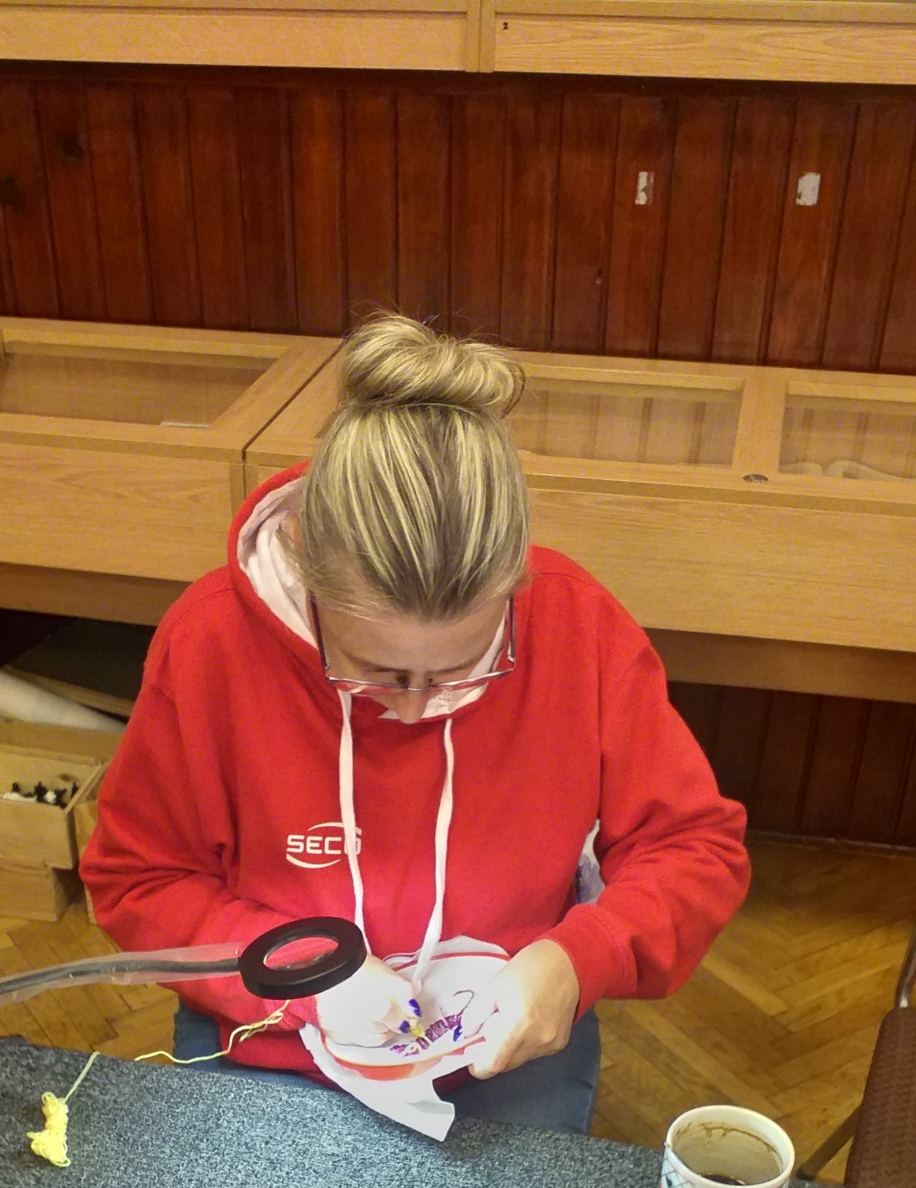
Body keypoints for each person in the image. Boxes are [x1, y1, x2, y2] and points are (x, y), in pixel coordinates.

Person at [81, 315, 749, 1136]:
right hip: (275, 1023)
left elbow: (692, 848)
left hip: (499, 1041)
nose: (414, 708)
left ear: (513, 586)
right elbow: (141, 881)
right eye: (375, 672)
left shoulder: (579, 626)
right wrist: (303, 974)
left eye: (463, 668)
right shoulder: (211, 642)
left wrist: (580, 960)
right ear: (302, 561)